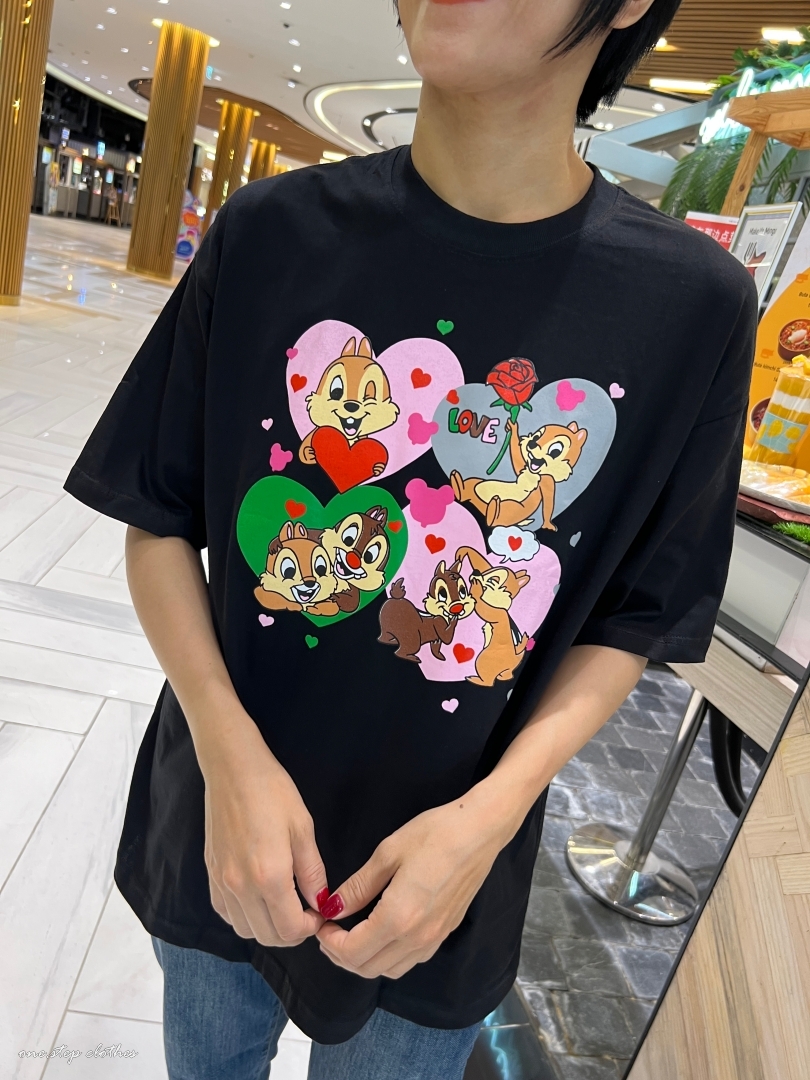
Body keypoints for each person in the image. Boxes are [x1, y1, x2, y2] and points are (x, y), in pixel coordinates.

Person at [64, 0, 757, 1076]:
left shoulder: (693, 305)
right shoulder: (270, 232)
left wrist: (489, 819)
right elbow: (157, 516)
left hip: (445, 885)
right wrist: (228, 758)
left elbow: (636, 617)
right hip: (221, 828)